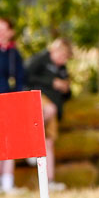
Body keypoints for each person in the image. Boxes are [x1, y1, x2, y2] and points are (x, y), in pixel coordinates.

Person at [25, 38, 73, 190]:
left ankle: (49, 181)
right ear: (55, 50)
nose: (63, 60)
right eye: (62, 55)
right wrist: (52, 82)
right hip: (39, 99)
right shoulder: (40, 59)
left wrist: (66, 89)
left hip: (54, 106)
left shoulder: (62, 68)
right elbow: (27, 77)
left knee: (49, 142)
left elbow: (67, 93)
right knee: (49, 109)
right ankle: (29, 145)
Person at [0, 17, 25, 194]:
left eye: (3, 29)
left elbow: (20, 79)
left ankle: (7, 183)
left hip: (9, 101)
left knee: (9, 141)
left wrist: (16, 100)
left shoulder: (13, 54)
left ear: (10, 32)